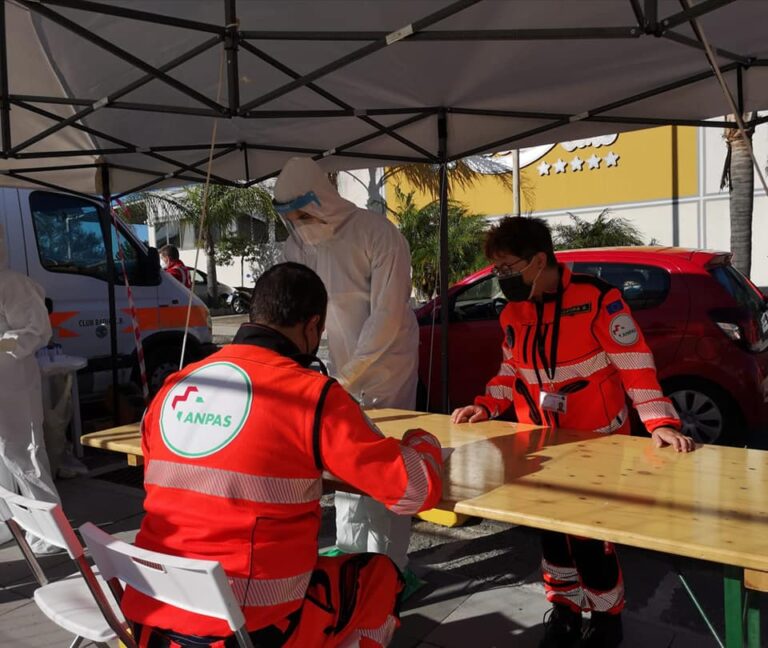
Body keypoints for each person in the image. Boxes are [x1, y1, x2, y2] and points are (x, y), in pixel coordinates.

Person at [122, 262, 443, 648]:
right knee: (380, 575)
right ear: (312, 328)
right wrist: (423, 440)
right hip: (252, 627)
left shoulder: (175, 386)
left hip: (152, 618)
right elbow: (414, 491)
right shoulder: (310, 395)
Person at [451, 217, 694, 648]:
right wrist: (485, 404)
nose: (501, 278)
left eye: (508, 268)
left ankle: (605, 618)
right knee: (550, 532)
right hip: (538, 443)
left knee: (589, 538)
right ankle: (564, 609)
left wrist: (661, 422)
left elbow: (634, 363)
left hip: (598, 440)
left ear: (538, 259)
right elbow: (512, 371)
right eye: (498, 270)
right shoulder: (512, 310)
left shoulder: (598, 299)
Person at [274, 157, 420, 572]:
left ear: (324, 199)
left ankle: (391, 565)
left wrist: (348, 375)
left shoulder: (377, 233)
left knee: (386, 463)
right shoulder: (297, 245)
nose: (300, 222)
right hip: (339, 366)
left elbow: (387, 315)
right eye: (290, 217)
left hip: (389, 367)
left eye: (304, 212)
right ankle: (352, 558)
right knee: (342, 462)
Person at [0, 223, 62, 554]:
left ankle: (51, 530)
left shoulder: (12, 283)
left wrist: (2, 343)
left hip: (12, 382)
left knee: (26, 453)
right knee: (3, 455)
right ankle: (9, 521)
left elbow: (38, 331)